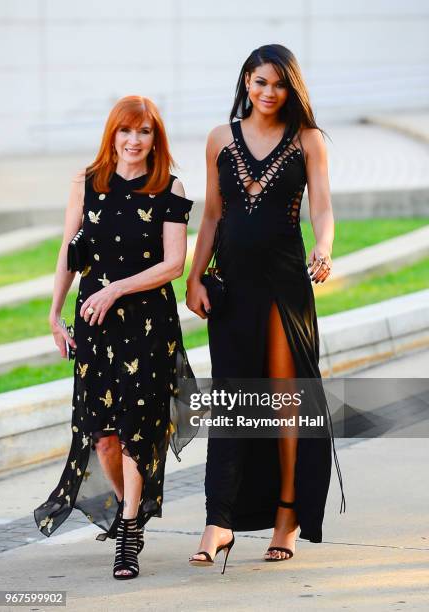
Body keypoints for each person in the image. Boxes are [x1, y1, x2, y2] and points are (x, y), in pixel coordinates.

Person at [186, 44, 346, 572]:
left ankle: (287, 514)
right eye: (259, 82)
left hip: (283, 286)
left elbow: (322, 205)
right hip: (231, 287)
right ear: (245, 83)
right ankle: (219, 519)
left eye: (278, 83)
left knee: (283, 404)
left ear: (291, 87)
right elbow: (210, 217)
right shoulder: (218, 139)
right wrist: (194, 277)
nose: (268, 92)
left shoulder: (307, 140)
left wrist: (323, 248)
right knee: (231, 400)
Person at [34, 95, 195, 580]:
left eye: (143, 132)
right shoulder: (87, 183)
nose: (133, 141)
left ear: (155, 139)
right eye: (125, 131)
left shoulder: (169, 187)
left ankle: (127, 535)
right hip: (94, 326)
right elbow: (70, 249)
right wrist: (55, 312)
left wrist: (117, 289)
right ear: (112, 135)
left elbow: (173, 264)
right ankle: (132, 505)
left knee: (136, 433)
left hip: (147, 325)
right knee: (101, 436)